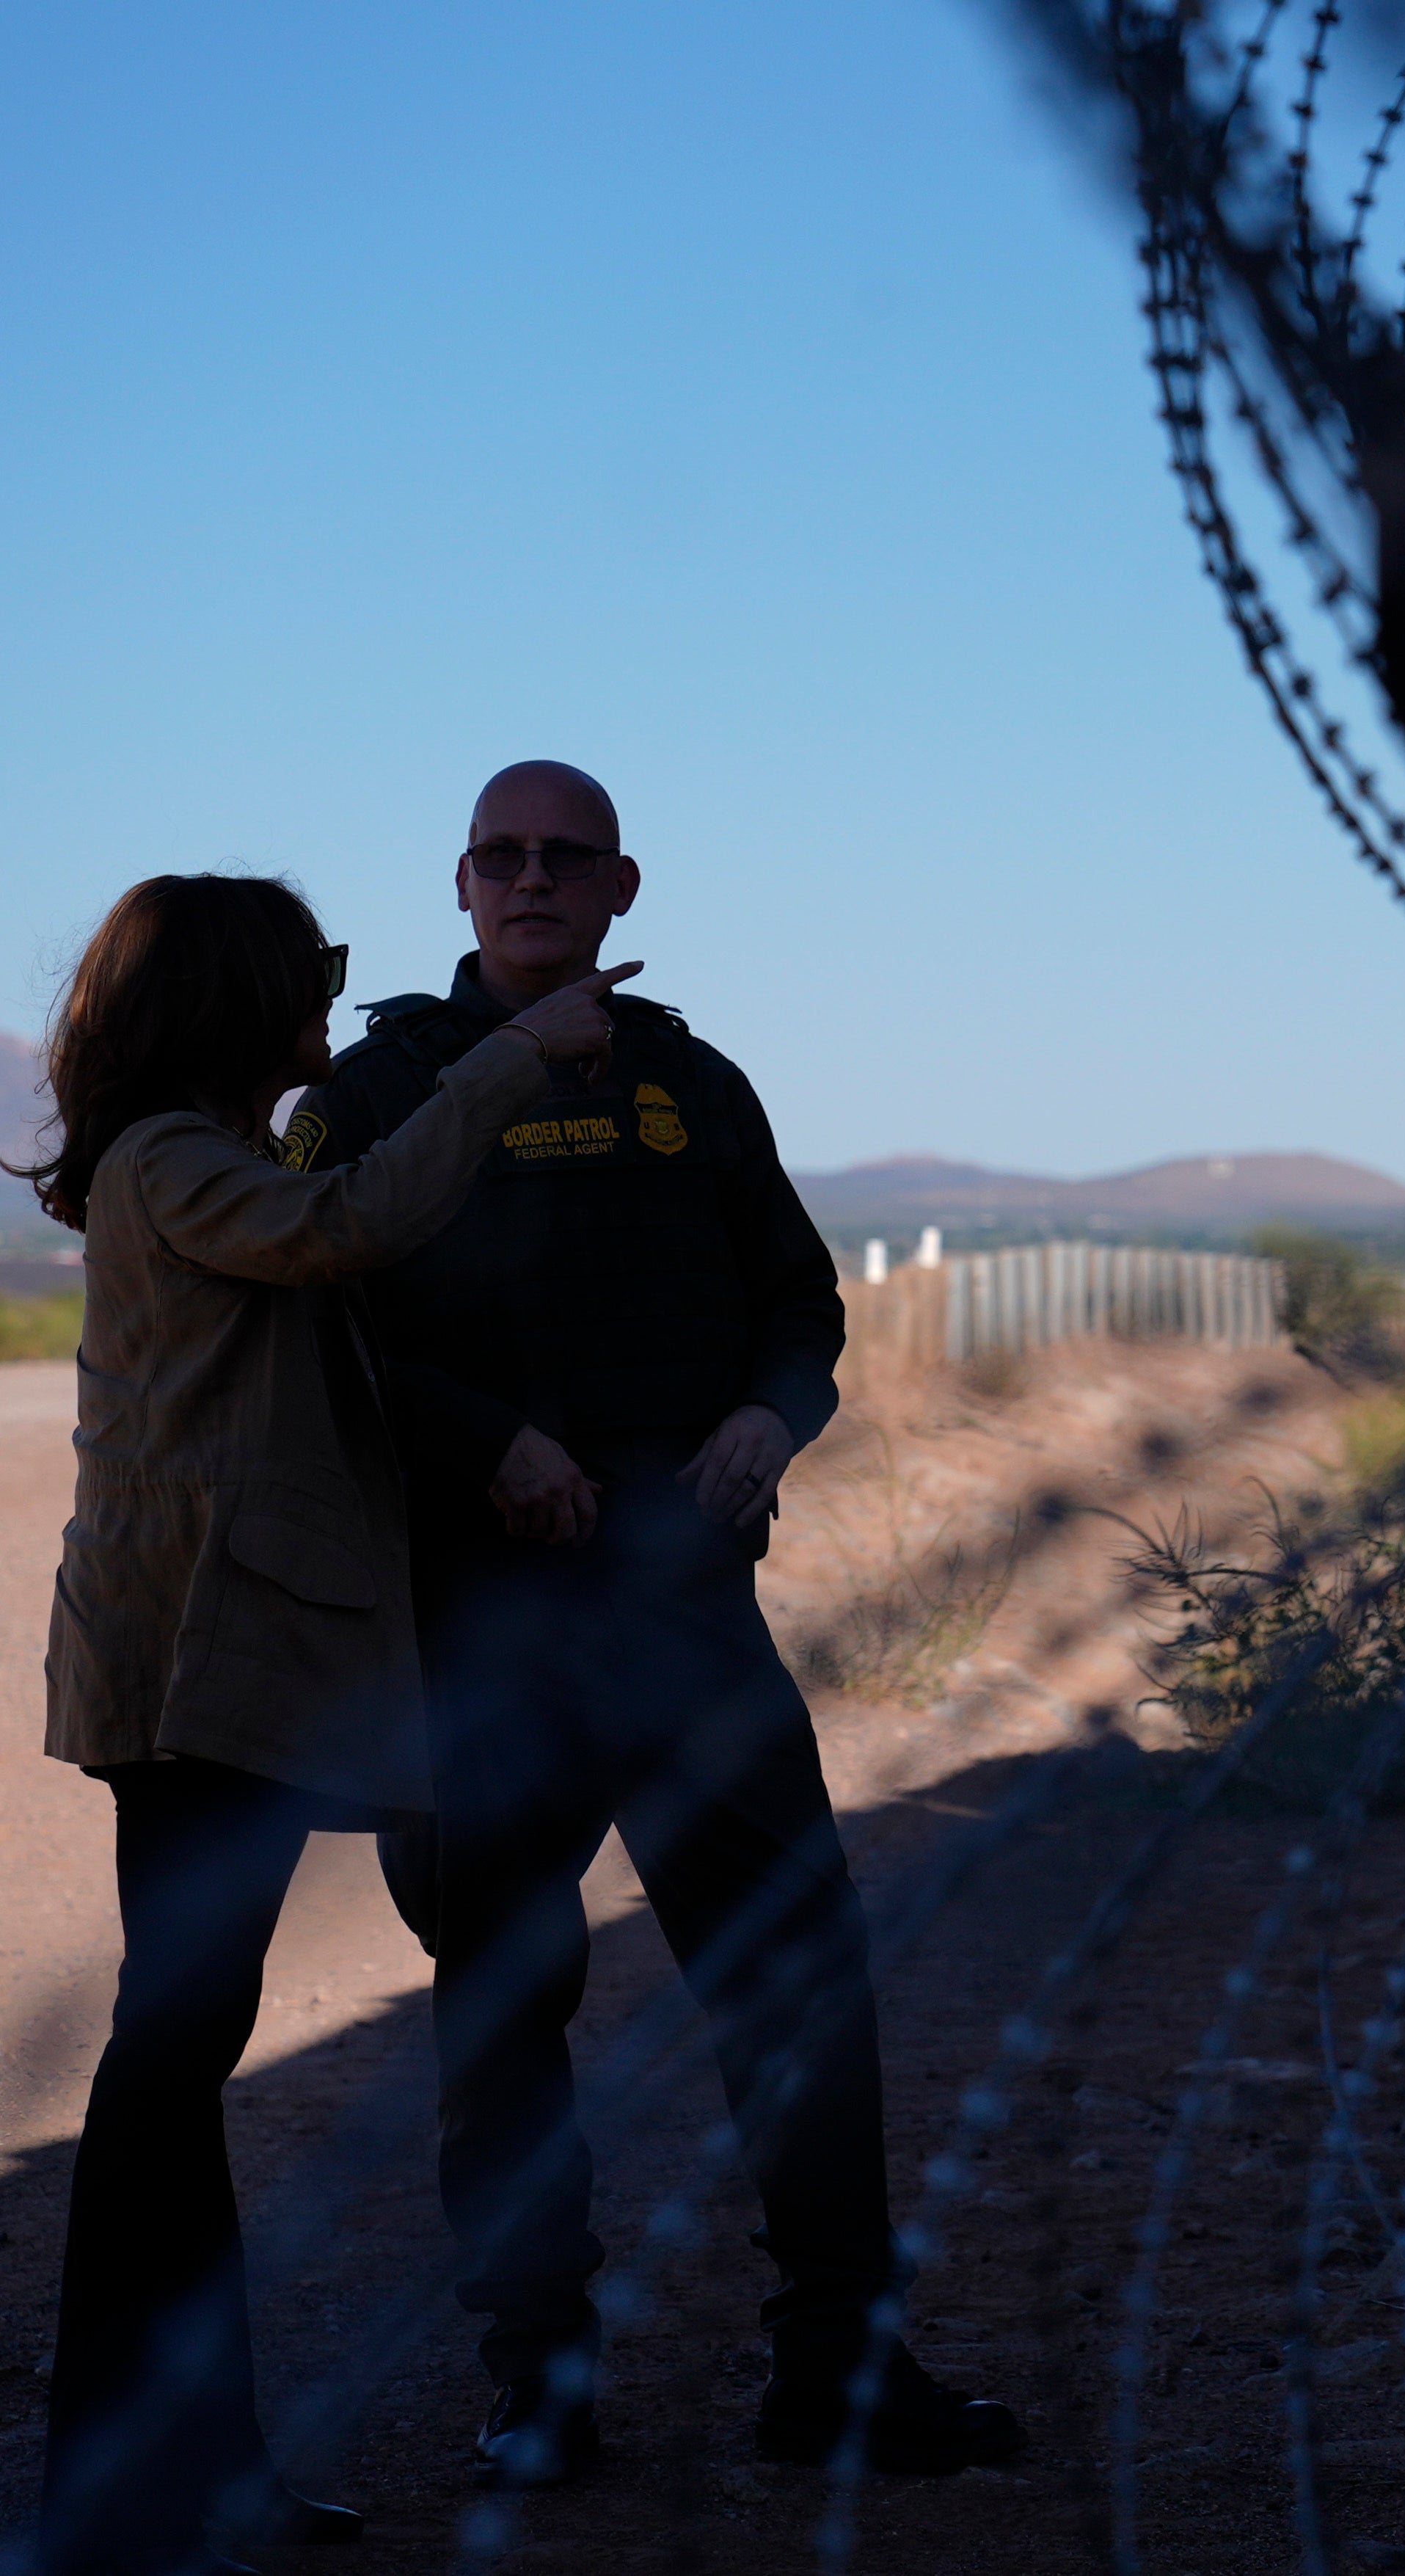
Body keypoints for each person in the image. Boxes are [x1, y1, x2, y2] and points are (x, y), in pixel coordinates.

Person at [281, 760, 1020, 2486]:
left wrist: (776, 1414)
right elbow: (322, 1333)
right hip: (481, 1632)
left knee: (799, 1988)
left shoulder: (692, 1080)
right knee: (502, 2017)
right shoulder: (375, 1088)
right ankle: (538, 2385)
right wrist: (488, 1443)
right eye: (502, 857)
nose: (533, 881)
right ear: (460, 887)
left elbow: (801, 1303)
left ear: (622, 890)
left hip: (687, 1618)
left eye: (568, 860)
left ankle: (838, 2367)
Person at [14, 873, 625, 2574]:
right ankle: (120, 2486)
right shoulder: (169, 1163)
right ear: (236, 999)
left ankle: (183, 2475)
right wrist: (508, 1063)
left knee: (176, 2064)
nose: (334, 1005)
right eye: (314, 978)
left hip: (230, 1676)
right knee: (166, 2067)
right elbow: (348, 1228)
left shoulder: (200, 1156)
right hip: (198, 1675)